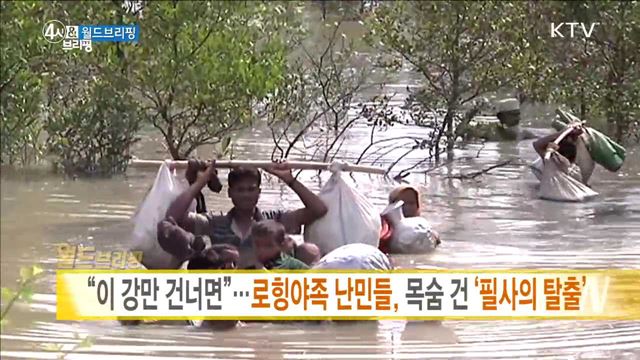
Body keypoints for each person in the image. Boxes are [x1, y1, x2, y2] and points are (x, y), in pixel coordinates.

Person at [165, 159, 328, 269]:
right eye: (240, 190)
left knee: (309, 250)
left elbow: (318, 210)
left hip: (265, 289)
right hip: (230, 288)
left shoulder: (275, 220)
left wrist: (289, 180)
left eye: (251, 189)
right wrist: (200, 182)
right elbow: (173, 218)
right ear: (230, 193)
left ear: (259, 192)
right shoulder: (215, 223)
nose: (246, 195)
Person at [379, 185, 441, 253]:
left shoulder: (428, 233)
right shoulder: (384, 232)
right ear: (392, 205)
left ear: (418, 206)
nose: (407, 207)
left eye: (411, 203)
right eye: (402, 203)